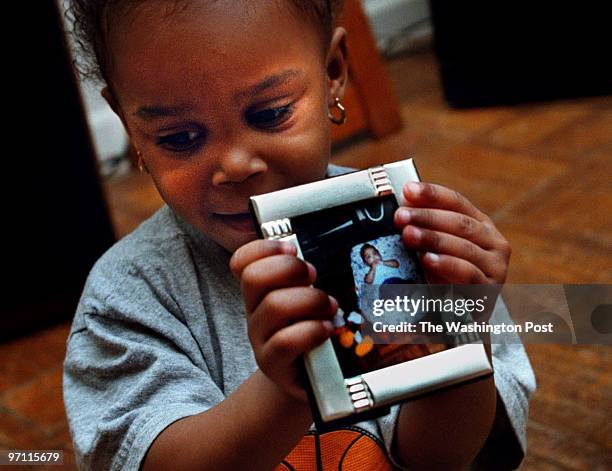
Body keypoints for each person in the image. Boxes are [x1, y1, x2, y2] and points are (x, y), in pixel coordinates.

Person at [63, 1, 536, 470]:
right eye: (179, 139)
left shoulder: (407, 237)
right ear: (128, 125)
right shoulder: (127, 299)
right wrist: (285, 390)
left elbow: (439, 458)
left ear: (332, 71)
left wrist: (461, 339)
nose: (235, 166)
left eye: (268, 114)